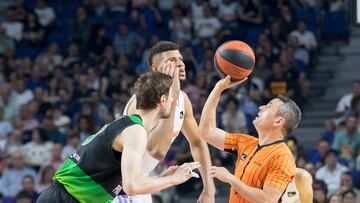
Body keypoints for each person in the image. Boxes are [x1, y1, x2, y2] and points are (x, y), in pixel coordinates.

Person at [36, 72, 201, 203]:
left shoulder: (128, 125)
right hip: (66, 198)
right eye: (173, 97)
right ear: (163, 100)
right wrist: (174, 179)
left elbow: (120, 182)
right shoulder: (135, 131)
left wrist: (160, 178)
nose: (174, 101)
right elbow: (132, 186)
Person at [118, 41, 214, 202]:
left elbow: (197, 142)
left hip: (141, 179)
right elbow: (156, 150)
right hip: (117, 182)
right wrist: (172, 95)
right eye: (172, 61)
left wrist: (209, 189)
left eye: (181, 59)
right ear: (155, 69)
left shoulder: (183, 99)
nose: (180, 64)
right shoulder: (142, 101)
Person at [200, 75, 300, 203]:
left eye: (268, 107)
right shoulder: (246, 142)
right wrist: (218, 89)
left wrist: (231, 179)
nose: (261, 107)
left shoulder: (282, 157)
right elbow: (206, 131)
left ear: (278, 121)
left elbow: (267, 199)